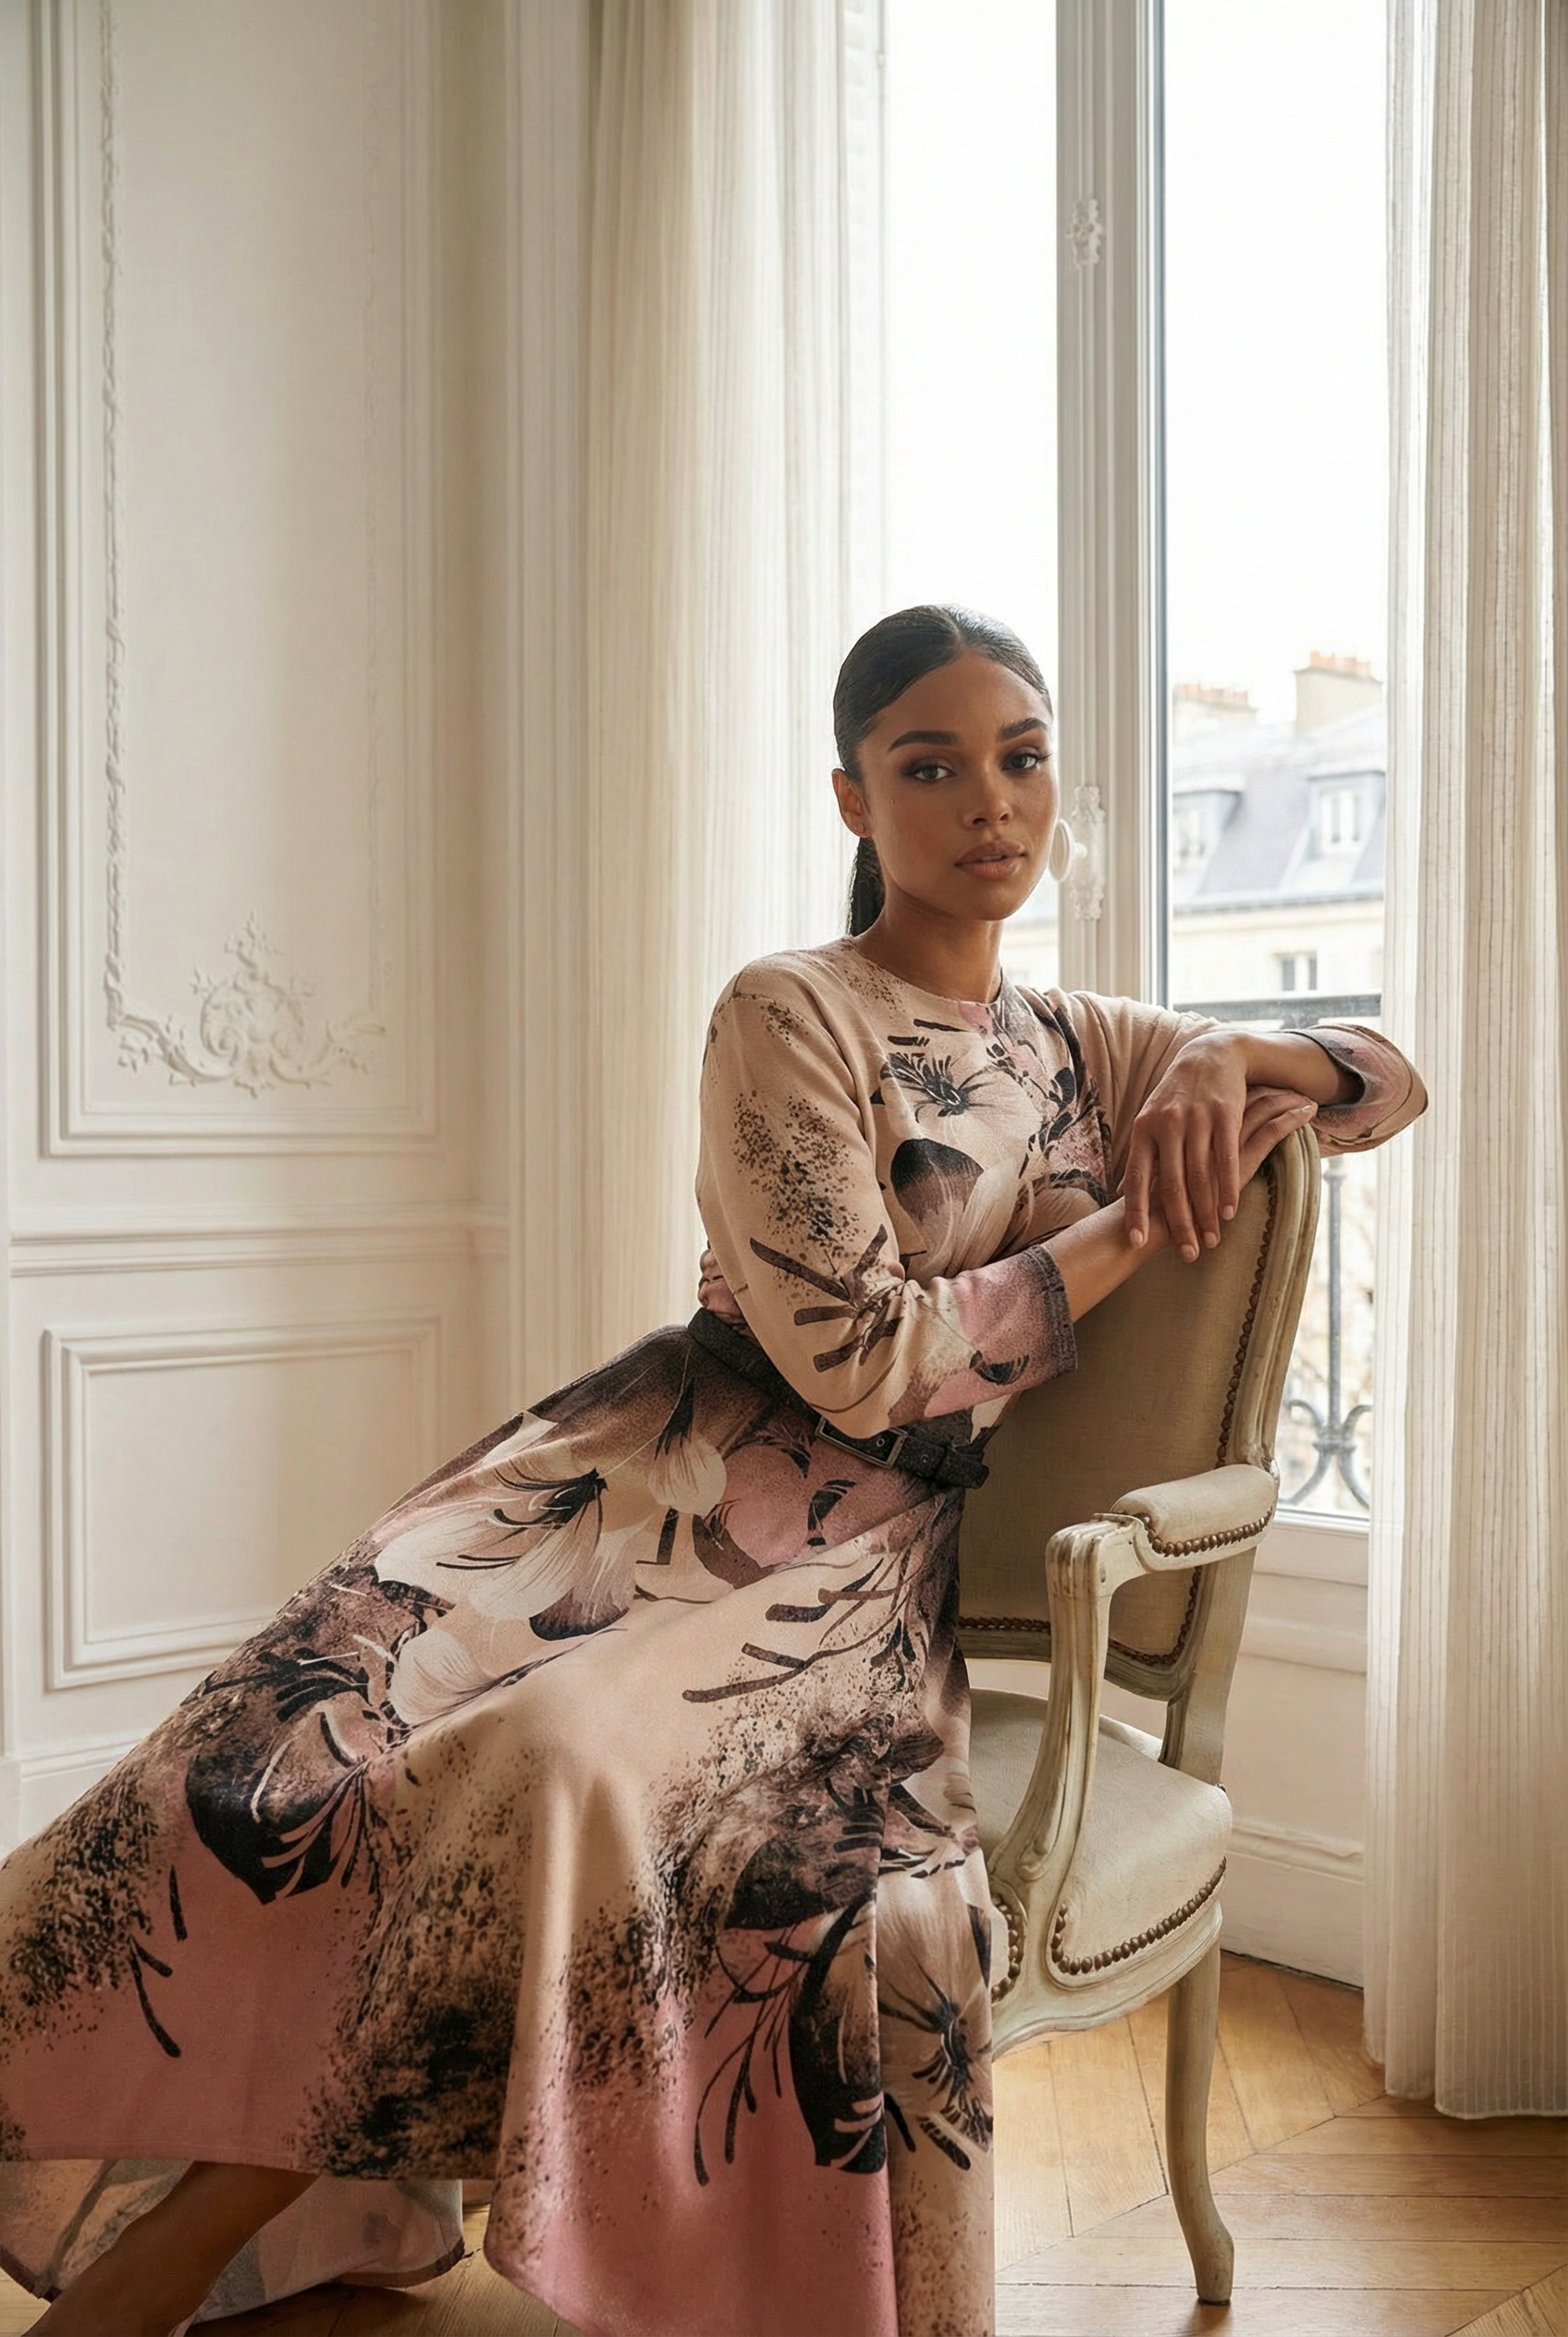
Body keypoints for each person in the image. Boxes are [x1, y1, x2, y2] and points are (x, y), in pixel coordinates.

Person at [0, 607, 1425, 2337]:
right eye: (931, 765)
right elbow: (865, 1358)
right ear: (853, 800)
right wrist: (1120, 1232)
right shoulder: (787, 1012)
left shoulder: (1074, 1042)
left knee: (547, 1770)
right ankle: (162, 2244)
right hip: (630, 1490)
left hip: (843, 1573)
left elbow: (1389, 1081)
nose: (990, 802)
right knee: (274, 1767)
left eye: (1023, 758)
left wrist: (1230, 1054)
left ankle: (152, 2290)